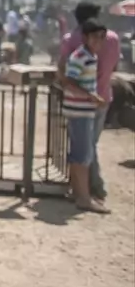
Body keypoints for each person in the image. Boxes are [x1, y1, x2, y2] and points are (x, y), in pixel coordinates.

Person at [59, 1, 121, 204]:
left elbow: (63, 72)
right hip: (102, 97)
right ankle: (88, 190)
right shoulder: (112, 38)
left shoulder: (71, 39)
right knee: (88, 146)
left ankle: (88, 188)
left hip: (83, 101)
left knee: (84, 147)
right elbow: (115, 67)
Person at [61, 20, 110, 214]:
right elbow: (69, 82)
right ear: (86, 37)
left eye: (102, 37)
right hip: (79, 110)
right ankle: (84, 198)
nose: (99, 40)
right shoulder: (81, 56)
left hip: (83, 110)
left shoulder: (90, 56)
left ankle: (79, 193)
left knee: (80, 154)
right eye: (96, 36)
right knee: (82, 156)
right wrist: (90, 96)